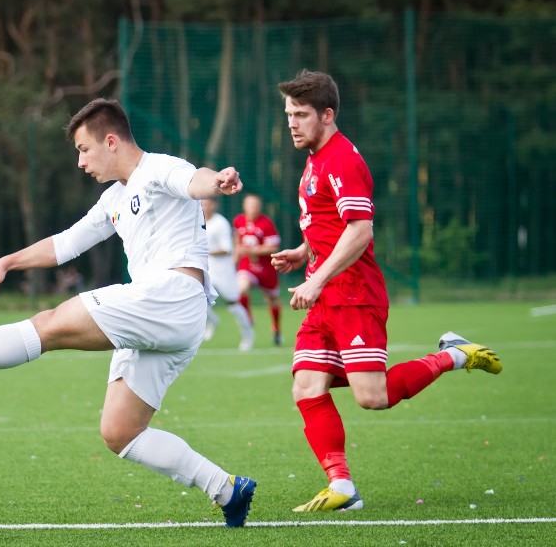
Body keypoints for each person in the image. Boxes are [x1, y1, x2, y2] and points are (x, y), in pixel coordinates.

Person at [0, 98, 256, 527]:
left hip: (172, 295)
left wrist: (218, 180)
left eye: (83, 149)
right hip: (167, 317)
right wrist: (8, 261)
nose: (80, 162)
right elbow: (65, 243)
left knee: (50, 325)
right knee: (120, 433)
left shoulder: (158, 169)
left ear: (111, 141)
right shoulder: (113, 198)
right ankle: (227, 490)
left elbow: (194, 180)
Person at [271, 69, 502, 512]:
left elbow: (359, 231)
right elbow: (332, 223)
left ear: (327, 114)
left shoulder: (342, 160)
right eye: (288, 115)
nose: (293, 124)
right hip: (326, 295)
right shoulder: (315, 157)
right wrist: (304, 253)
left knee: (372, 398)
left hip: (354, 295)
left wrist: (316, 279)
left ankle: (452, 354)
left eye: (301, 115)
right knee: (306, 385)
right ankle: (342, 486)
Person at [200, 197, 254, 349]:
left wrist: (205, 251)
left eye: (208, 203)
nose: (205, 206)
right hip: (207, 269)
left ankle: (247, 333)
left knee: (233, 304)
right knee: (196, 299)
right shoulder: (197, 221)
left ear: (214, 205)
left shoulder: (220, 223)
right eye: (202, 203)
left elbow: (226, 249)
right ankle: (212, 320)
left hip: (223, 270)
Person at [233, 193, 283, 348]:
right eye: (249, 204)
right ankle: (247, 318)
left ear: (259, 206)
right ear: (244, 206)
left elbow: (273, 247)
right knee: (241, 288)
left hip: (266, 268)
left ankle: (276, 329)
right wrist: (234, 259)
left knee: (272, 300)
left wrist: (253, 250)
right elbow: (237, 242)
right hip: (247, 266)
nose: (252, 208)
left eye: (255, 205)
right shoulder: (239, 221)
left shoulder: (266, 224)